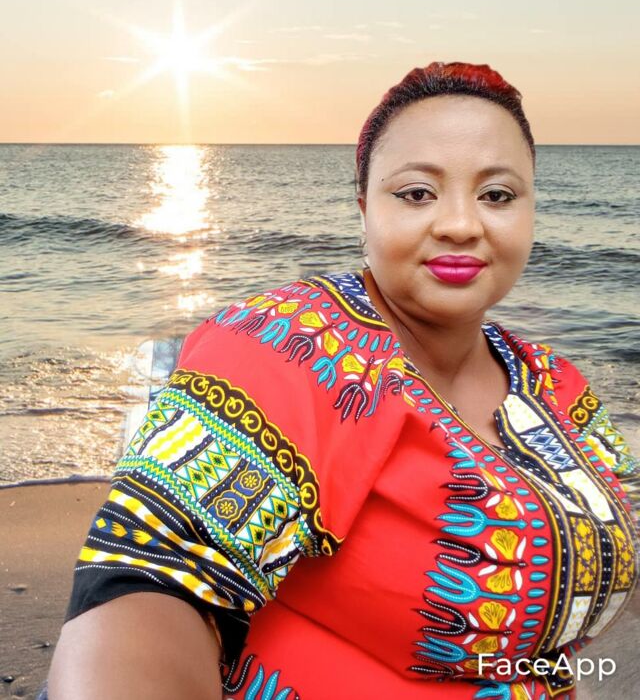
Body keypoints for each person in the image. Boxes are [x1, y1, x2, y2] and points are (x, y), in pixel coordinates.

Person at [47, 62, 639, 700]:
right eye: (416, 193)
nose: (462, 224)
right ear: (364, 208)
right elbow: (150, 582)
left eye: (497, 195)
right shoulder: (293, 345)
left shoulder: (556, 384)